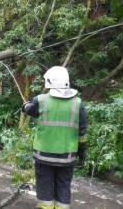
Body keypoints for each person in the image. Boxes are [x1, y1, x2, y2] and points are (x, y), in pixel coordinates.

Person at [22, 66, 87, 209]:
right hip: (67, 157)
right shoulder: (78, 104)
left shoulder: (40, 100)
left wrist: (25, 106)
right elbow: (82, 134)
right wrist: (82, 155)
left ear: (50, 82)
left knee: (44, 187)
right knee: (63, 186)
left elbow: (30, 110)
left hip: (43, 156)